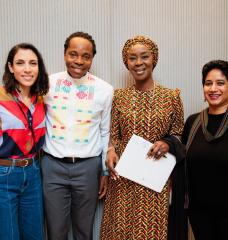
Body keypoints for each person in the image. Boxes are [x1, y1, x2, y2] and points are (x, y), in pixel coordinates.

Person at [100, 35, 186, 240]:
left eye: (144, 56)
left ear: (154, 59)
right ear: (126, 62)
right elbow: (112, 134)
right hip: (122, 179)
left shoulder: (171, 97)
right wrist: (110, 150)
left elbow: (179, 134)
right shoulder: (118, 96)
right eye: (132, 58)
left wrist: (167, 143)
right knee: (119, 232)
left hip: (155, 180)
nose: (139, 63)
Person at [41, 31, 113, 240]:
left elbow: (105, 132)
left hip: (88, 168)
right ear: (64, 54)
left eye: (86, 56)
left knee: (84, 231)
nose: (79, 61)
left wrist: (104, 173)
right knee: (55, 231)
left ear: (92, 58)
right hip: (52, 166)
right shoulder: (46, 84)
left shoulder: (105, 90)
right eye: (73, 54)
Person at [0, 43, 49, 240]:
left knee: (35, 234)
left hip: (34, 172)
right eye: (20, 63)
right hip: (4, 174)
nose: (27, 69)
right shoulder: (1, 96)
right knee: (8, 235)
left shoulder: (42, 98)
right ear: (11, 67)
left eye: (33, 63)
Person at [182, 60, 228, 240]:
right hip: (199, 213)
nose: (213, 88)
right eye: (208, 83)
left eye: (220, 83)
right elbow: (181, 160)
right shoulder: (193, 122)